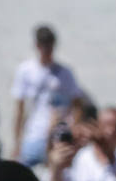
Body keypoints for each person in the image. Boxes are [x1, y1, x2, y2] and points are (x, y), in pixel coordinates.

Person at [11, 25, 86, 166]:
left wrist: (73, 130)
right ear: (37, 46)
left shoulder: (65, 72)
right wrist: (17, 142)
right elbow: (19, 109)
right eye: (43, 46)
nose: (47, 50)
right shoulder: (25, 70)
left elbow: (77, 104)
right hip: (33, 136)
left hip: (57, 137)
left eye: (49, 46)